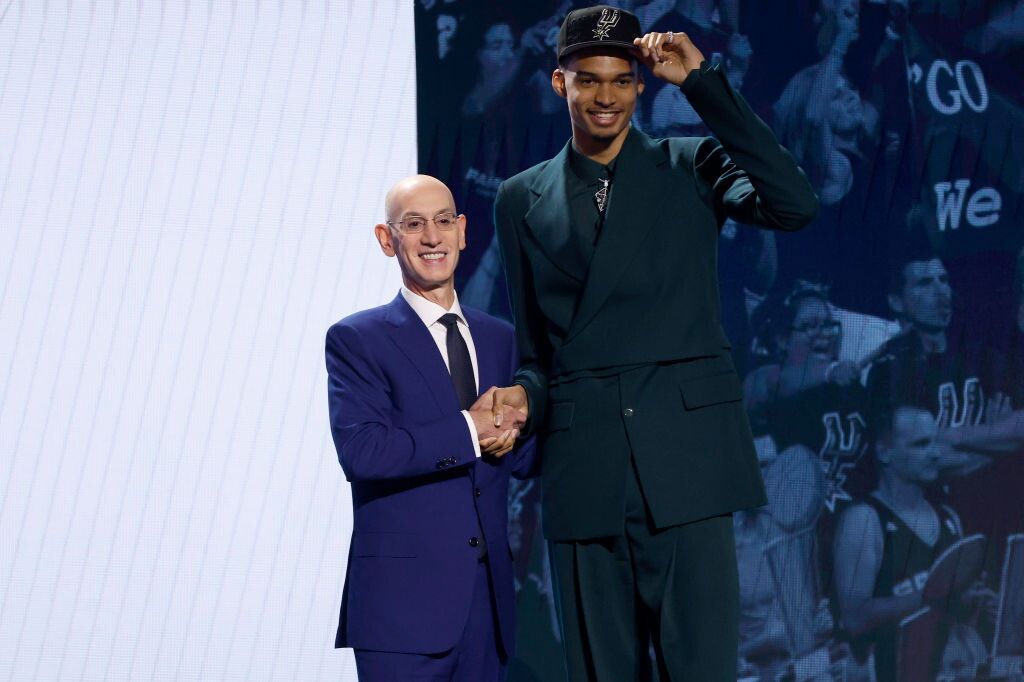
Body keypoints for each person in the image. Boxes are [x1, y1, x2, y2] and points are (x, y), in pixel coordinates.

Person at [489, 5, 820, 679]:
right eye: (588, 80)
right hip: (587, 472)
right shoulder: (520, 199)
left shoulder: (690, 162)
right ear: (561, 84)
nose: (604, 96)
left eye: (620, 79)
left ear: (642, 86)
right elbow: (536, 352)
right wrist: (522, 398)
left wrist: (703, 85)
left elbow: (794, 203)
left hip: (687, 465)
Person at [325, 175, 535, 681]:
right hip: (402, 613)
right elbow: (365, 451)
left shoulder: (500, 337)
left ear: (463, 231)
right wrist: (470, 429)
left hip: (487, 609)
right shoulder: (358, 339)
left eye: (444, 221)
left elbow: (522, 459)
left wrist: (524, 422)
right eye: (414, 224)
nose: (432, 237)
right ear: (386, 239)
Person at [832, 404, 983, 682]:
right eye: (921, 444)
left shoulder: (948, 517)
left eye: (936, 442)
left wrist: (974, 601)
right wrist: (933, 596)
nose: (936, 453)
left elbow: (960, 614)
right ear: (885, 452)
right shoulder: (864, 521)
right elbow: (854, 618)